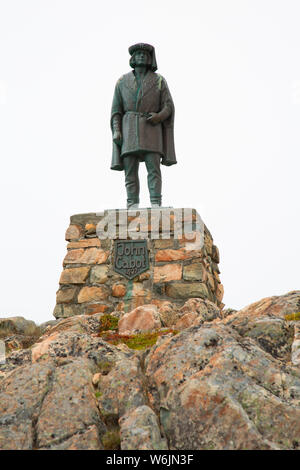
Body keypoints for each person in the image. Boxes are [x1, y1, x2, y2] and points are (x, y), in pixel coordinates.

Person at [110, 43, 177, 208]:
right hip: (129, 129)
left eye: (144, 54)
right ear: (132, 58)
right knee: (130, 170)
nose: (141, 56)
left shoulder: (159, 80)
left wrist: (159, 117)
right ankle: (132, 203)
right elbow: (116, 110)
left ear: (149, 59)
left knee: (153, 168)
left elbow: (168, 106)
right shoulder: (122, 81)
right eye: (137, 54)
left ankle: (156, 202)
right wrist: (117, 130)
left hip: (151, 129)